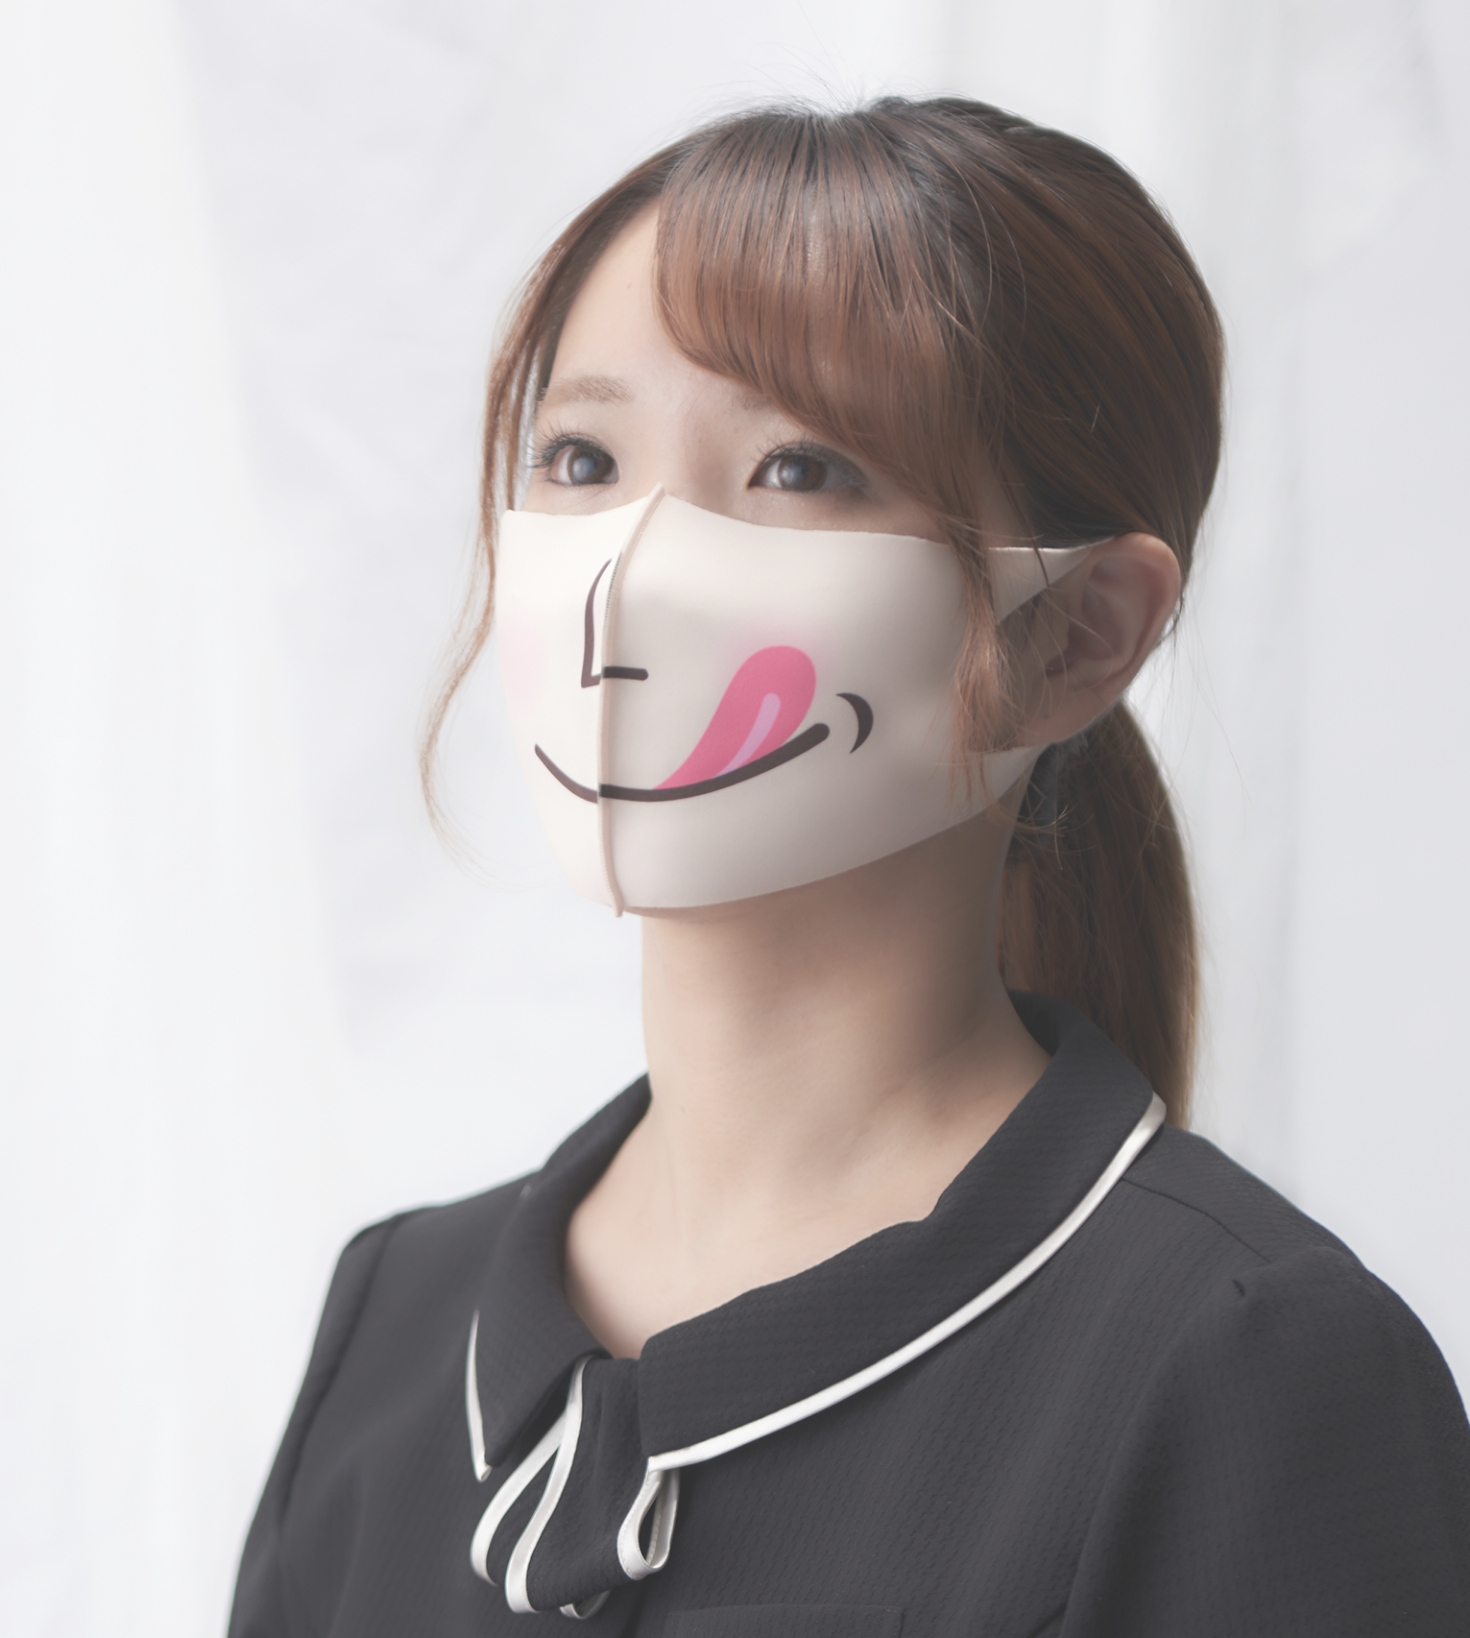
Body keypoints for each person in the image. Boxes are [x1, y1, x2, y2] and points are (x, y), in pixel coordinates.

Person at [229, 98, 1470, 1638]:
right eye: (581, 455)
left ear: (1075, 636)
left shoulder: (1244, 1370)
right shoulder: (395, 1320)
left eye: (797, 467)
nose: (627, 576)